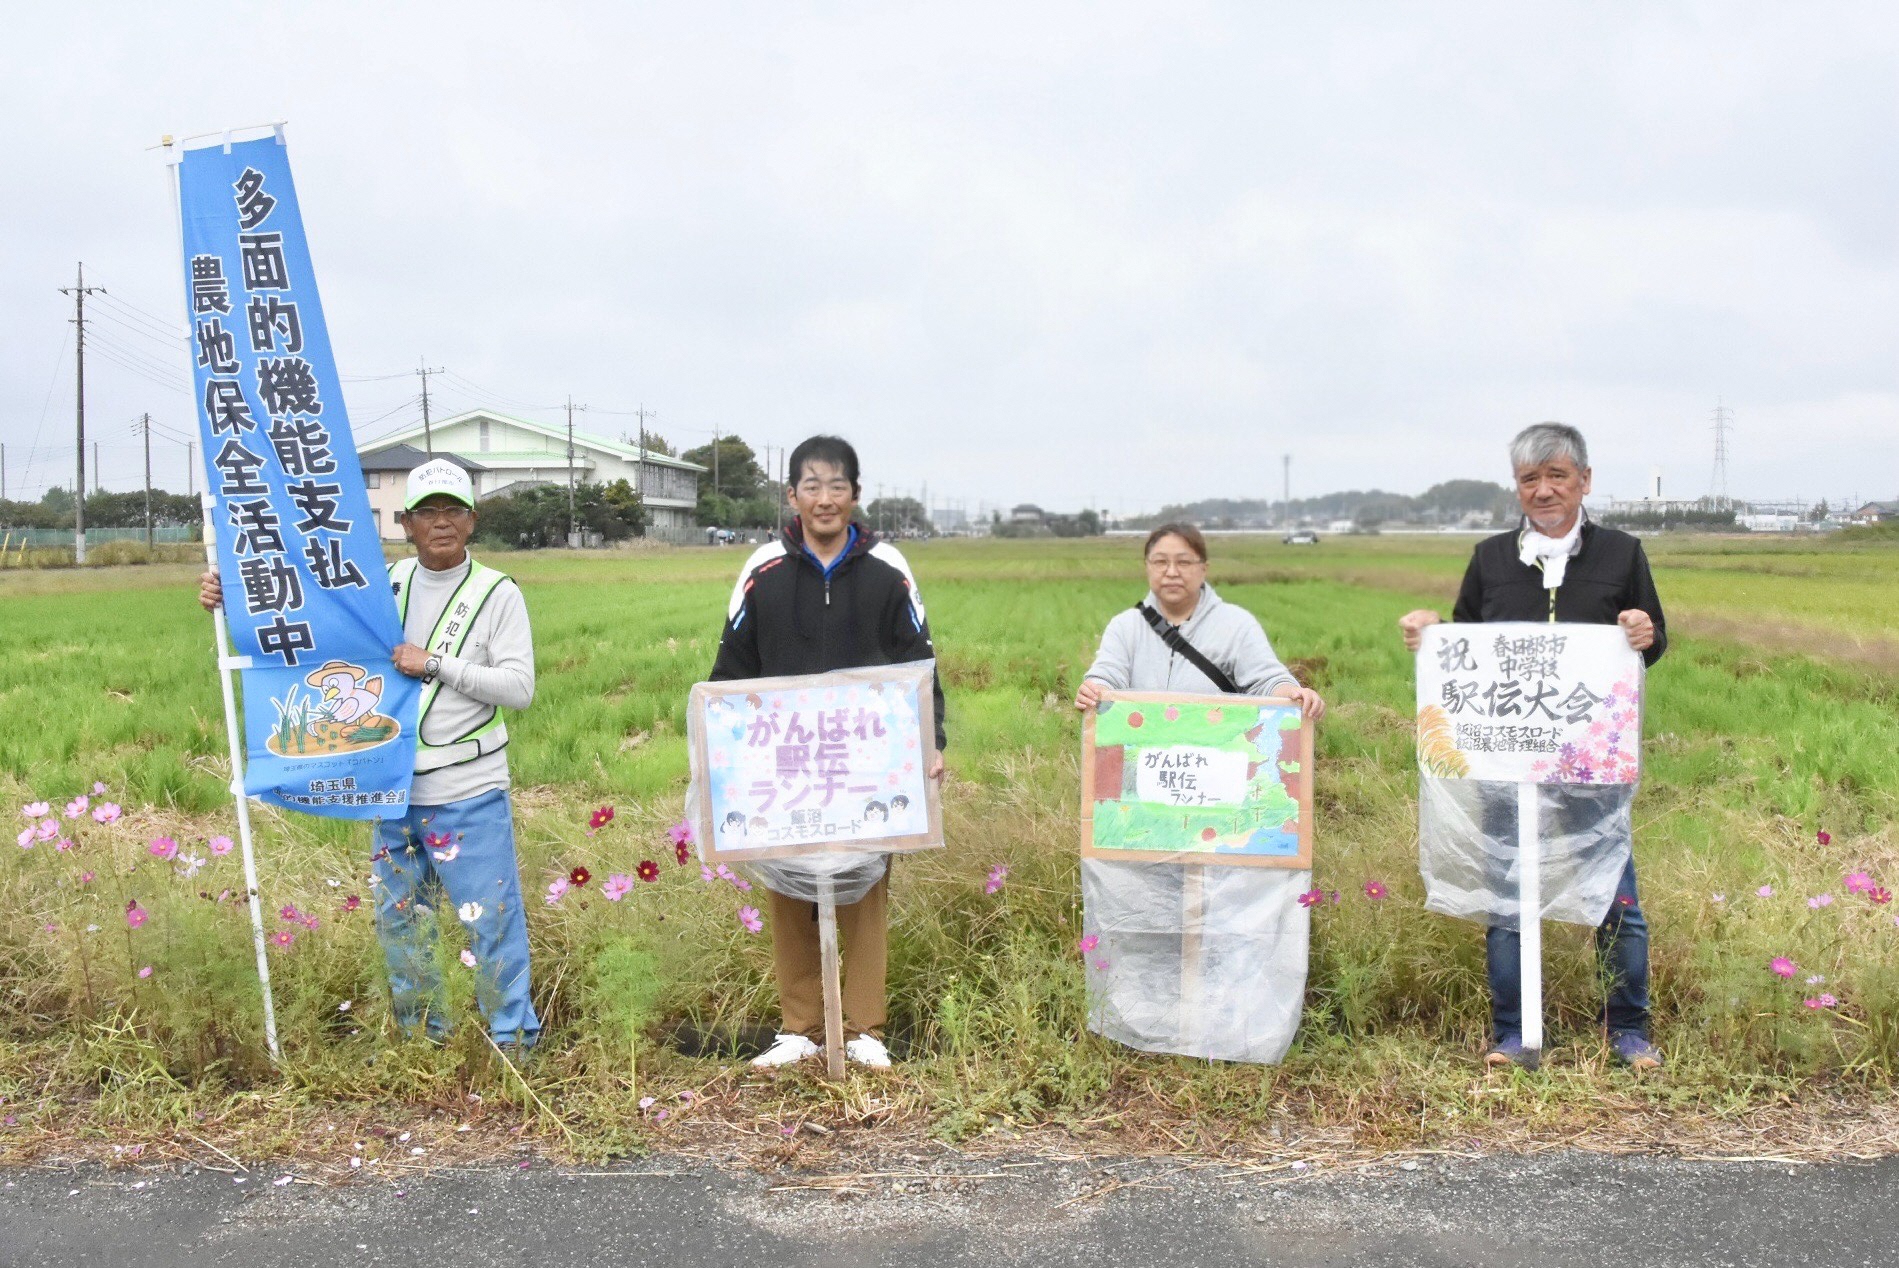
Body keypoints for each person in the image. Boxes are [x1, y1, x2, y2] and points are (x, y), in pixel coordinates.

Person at [200, 458, 540, 1049]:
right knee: (401, 922)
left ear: (472, 520)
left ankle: (514, 1044)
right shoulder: (385, 584)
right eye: (428, 512)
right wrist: (230, 596)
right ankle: (424, 1042)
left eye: (453, 510)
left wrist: (433, 663)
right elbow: (309, 620)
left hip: (469, 791)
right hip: (391, 788)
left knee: (490, 920)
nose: (441, 523)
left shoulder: (497, 593)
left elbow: (519, 688)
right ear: (405, 524)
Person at [1398, 422, 1667, 1071]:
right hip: (1504, 761)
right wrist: (1429, 632)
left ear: (1583, 482)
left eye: (1556, 476)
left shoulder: (1621, 554)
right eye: (1529, 480)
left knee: (1615, 899)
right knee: (1509, 901)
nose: (1543, 490)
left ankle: (1627, 1031)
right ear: (1516, 488)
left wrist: (1639, 630)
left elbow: (1651, 646)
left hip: (1588, 767)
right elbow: (1464, 647)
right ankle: (1514, 1034)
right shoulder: (1490, 558)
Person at [709, 434, 946, 1070]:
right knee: (789, 889)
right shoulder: (763, 568)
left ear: (855, 496)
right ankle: (800, 1027)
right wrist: (720, 754)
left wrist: (931, 742)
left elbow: (919, 662)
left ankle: (866, 1028)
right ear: (792, 496)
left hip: (866, 762)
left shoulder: (887, 568)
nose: (824, 498)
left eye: (836, 486)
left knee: (865, 889)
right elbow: (733, 665)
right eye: (810, 486)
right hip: (783, 761)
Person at [1075, 523, 1325, 718]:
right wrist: (1093, 689)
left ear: (1203, 568)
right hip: (1142, 759)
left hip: (1215, 760)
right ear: (1147, 567)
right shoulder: (1125, 626)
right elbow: (1108, 677)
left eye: (1184, 562)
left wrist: (1294, 694)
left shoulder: (1236, 624)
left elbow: (1266, 680)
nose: (1171, 572)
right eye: (1160, 562)